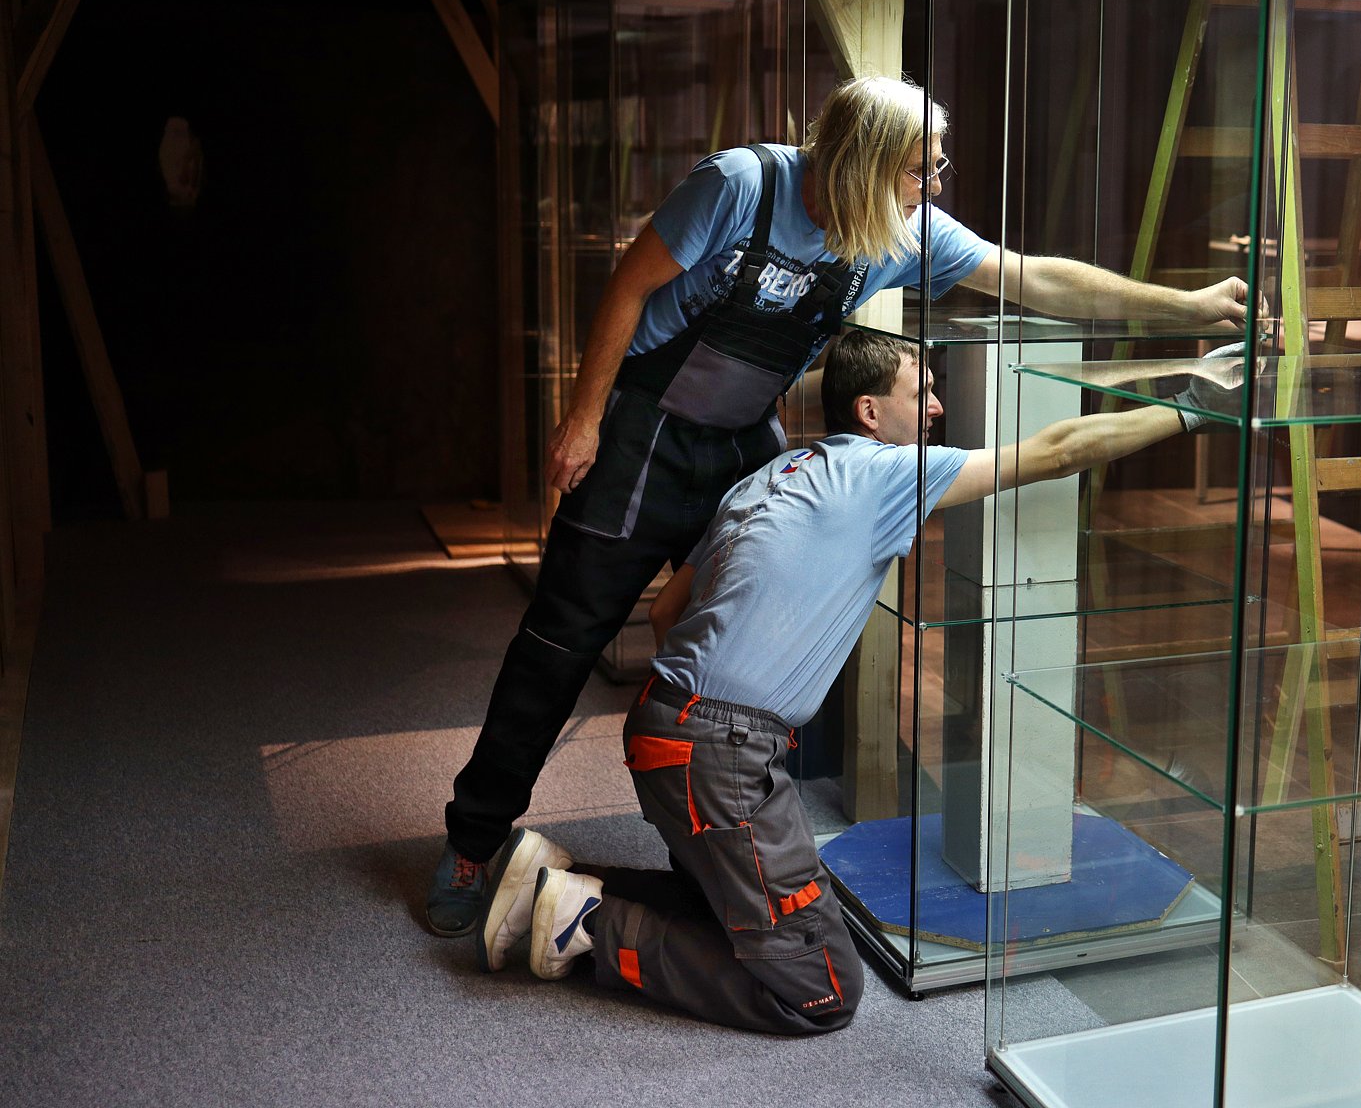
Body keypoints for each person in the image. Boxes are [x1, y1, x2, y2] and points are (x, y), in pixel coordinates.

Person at [426, 73, 1251, 936]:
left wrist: (1187, 307)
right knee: (557, 648)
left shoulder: (902, 232)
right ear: (862, 161)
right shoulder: (740, 185)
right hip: (642, 434)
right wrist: (583, 418)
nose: (933, 186)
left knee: (745, 642)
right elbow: (627, 289)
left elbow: (1037, 279)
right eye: (921, 169)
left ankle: (715, 854)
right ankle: (474, 841)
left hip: (743, 445)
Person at [469, 329, 1246, 1033]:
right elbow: (1060, 449)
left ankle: (554, 883)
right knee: (820, 988)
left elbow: (668, 613)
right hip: (720, 755)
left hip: (665, 729)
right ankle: (589, 926)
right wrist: (1189, 408)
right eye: (922, 391)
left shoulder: (768, 477)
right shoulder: (883, 474)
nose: (937, 406)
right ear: (870, 412)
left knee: (736, 911)